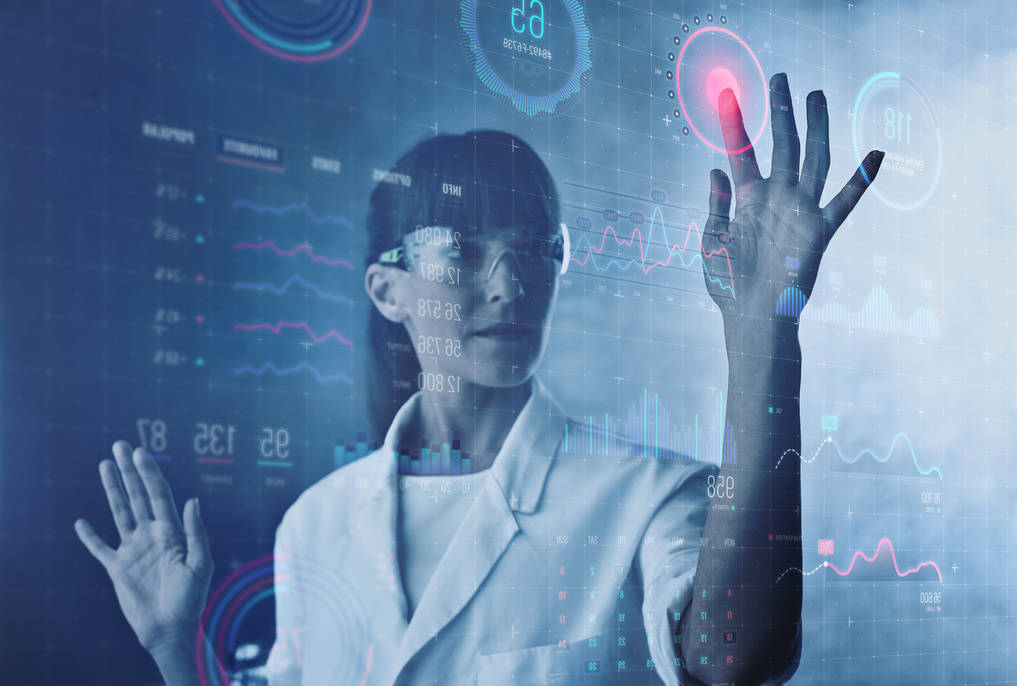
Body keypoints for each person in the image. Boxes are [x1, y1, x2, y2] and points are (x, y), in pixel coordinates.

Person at [74, 74, 883, 685]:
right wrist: (172, 654)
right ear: (387, 290)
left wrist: (761, 332)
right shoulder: (312, 526)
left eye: (534, 248)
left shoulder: (653, 498)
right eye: (461, 249)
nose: (509, 284)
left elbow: (738, 661)